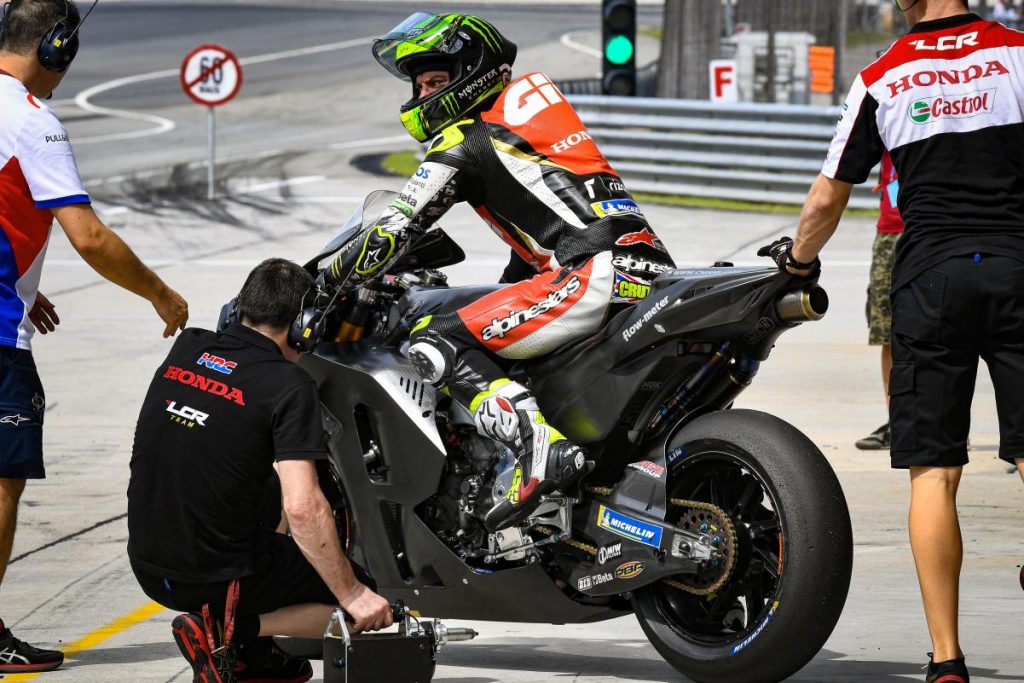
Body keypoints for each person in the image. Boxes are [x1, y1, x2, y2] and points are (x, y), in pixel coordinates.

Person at [324, 12, 676, 531]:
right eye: (419, 85)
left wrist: (327, 280)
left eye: (435, 82)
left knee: (434, 339)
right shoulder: (522, 120)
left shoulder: (464, 138)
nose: (423, 95)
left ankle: (538, 450)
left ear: (472, 71)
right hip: (647, 271)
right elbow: (540, 231)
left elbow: (392, 230)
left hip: (593, 274)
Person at [780, 1, 1024, 681]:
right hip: (1017, 263)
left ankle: (947, 660)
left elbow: (827, 198)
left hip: (930, 278)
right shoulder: (1016, 52)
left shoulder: (883, 75)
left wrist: (797, 264)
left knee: (935, 473)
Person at [0, 0, 189, 673]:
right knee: (2, 482)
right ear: (57, 47)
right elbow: (90, 237)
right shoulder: (32, 121)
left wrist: (25, 283)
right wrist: (159, 293)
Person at [128, 258, 393, 683]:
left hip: (149, 565)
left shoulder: (189, 346)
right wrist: (353, 591)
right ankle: (231, 632)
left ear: (239, 307)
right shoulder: (289, 385)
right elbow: (303, 508)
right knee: (361, 605)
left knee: (263, 487)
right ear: (305, 326)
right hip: (212, 577)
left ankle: (253, 658)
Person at [856, 150, 904, 450]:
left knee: (946, 333)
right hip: (889, 231)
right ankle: (898, 423)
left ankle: (949, 420)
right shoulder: (881, 121)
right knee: (887, 333)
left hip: (931, 230)